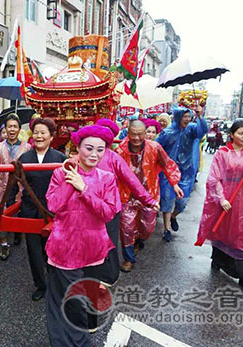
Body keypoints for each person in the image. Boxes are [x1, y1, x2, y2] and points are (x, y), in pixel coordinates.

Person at [45, 125, 120, 346]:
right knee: (67, 302)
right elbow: (53, 205)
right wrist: (72, 182)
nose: (94, 155)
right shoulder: (61, 173)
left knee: (84, 301)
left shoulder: (106, 178)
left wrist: (84, 189)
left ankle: (79, 340)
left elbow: (107, 213)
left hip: (94, 250)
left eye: (100, 150)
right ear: (77, 147)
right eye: (89, 148)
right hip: (63, 249)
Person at [79, 118, 158, 285]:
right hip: (87, 208)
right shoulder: (81, 157)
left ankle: (109, 276)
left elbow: (131, 180)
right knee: (89, 242)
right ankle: (89, 274)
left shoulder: (113, 157)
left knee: (109, 243)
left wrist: (148, 199)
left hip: (109, 209)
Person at [198, 121, 243, 287]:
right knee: (223, 230)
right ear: (232, 134)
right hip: (226, 197)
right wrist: (221, 198)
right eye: (241, 133)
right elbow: (215, 178)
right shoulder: (222, 153)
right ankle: (218, 260)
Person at [7, 117, 66, 301]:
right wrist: (9, 205)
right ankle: (40, 285)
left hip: (52, 211)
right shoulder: (25, 158)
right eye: (36, 132)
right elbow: (14, 182)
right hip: (30, 210)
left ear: (51, 136)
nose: (39, 136)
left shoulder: (60, 158)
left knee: (52, 249)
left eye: (43, 132)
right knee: (33, 250)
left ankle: (55, 282)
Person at [116, 120, 182, 272]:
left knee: (148, 227)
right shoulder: (120, 151)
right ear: (128, 133)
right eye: (134, 134)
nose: (137, 138)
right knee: (126, 228)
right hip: (127, 195)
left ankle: (138, 240)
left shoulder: (155, 147)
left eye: (140, 134)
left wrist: (175, 183)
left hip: (149, 194)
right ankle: (128, 258)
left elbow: (167, 164)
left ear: (145, 133)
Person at [157, 106, 208, 241]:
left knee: (182, 202)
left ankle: (174, 216)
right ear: (178, 117)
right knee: (167, 199)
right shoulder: (167, 133)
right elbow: (157, 149)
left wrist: (200, 117)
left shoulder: (191, 129)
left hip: (186, 171)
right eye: (184, 116)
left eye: (188, 116)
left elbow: (202, 131)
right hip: (168, 172)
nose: (187, 119)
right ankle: (166, 229)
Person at [0, 113, 31, 260]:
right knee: (2, 215)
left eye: (15, 126)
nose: (12, 129)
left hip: (20, 190)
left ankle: (18, 232)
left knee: (19, 214)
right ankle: (4, 244)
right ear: (5, 129)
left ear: (19, 129)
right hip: (1, 189)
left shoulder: (27, 148)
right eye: (9, 126)